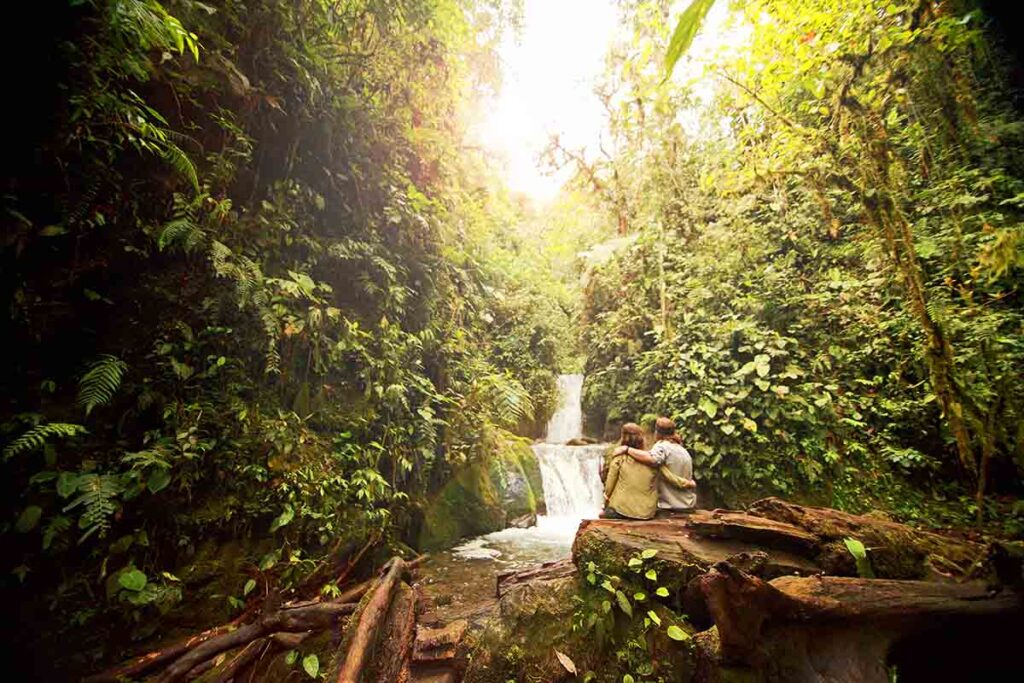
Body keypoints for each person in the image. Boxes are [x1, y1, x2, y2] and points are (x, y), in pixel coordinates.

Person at [615, 416, 696, 512]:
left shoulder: (662, 446)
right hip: (687, 503)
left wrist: (627, 449)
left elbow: (653, 459)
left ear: (657, 433)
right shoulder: (682, 449)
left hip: (670, 506)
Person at [601, 423, 658, 520]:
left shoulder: (618, 458)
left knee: (602, 514)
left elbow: (609, 488)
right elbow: (669, 476)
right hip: (646, 512)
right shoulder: (651, 458)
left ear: (622, 437)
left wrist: (605, 502)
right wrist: (687, 483)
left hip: (621, 510)